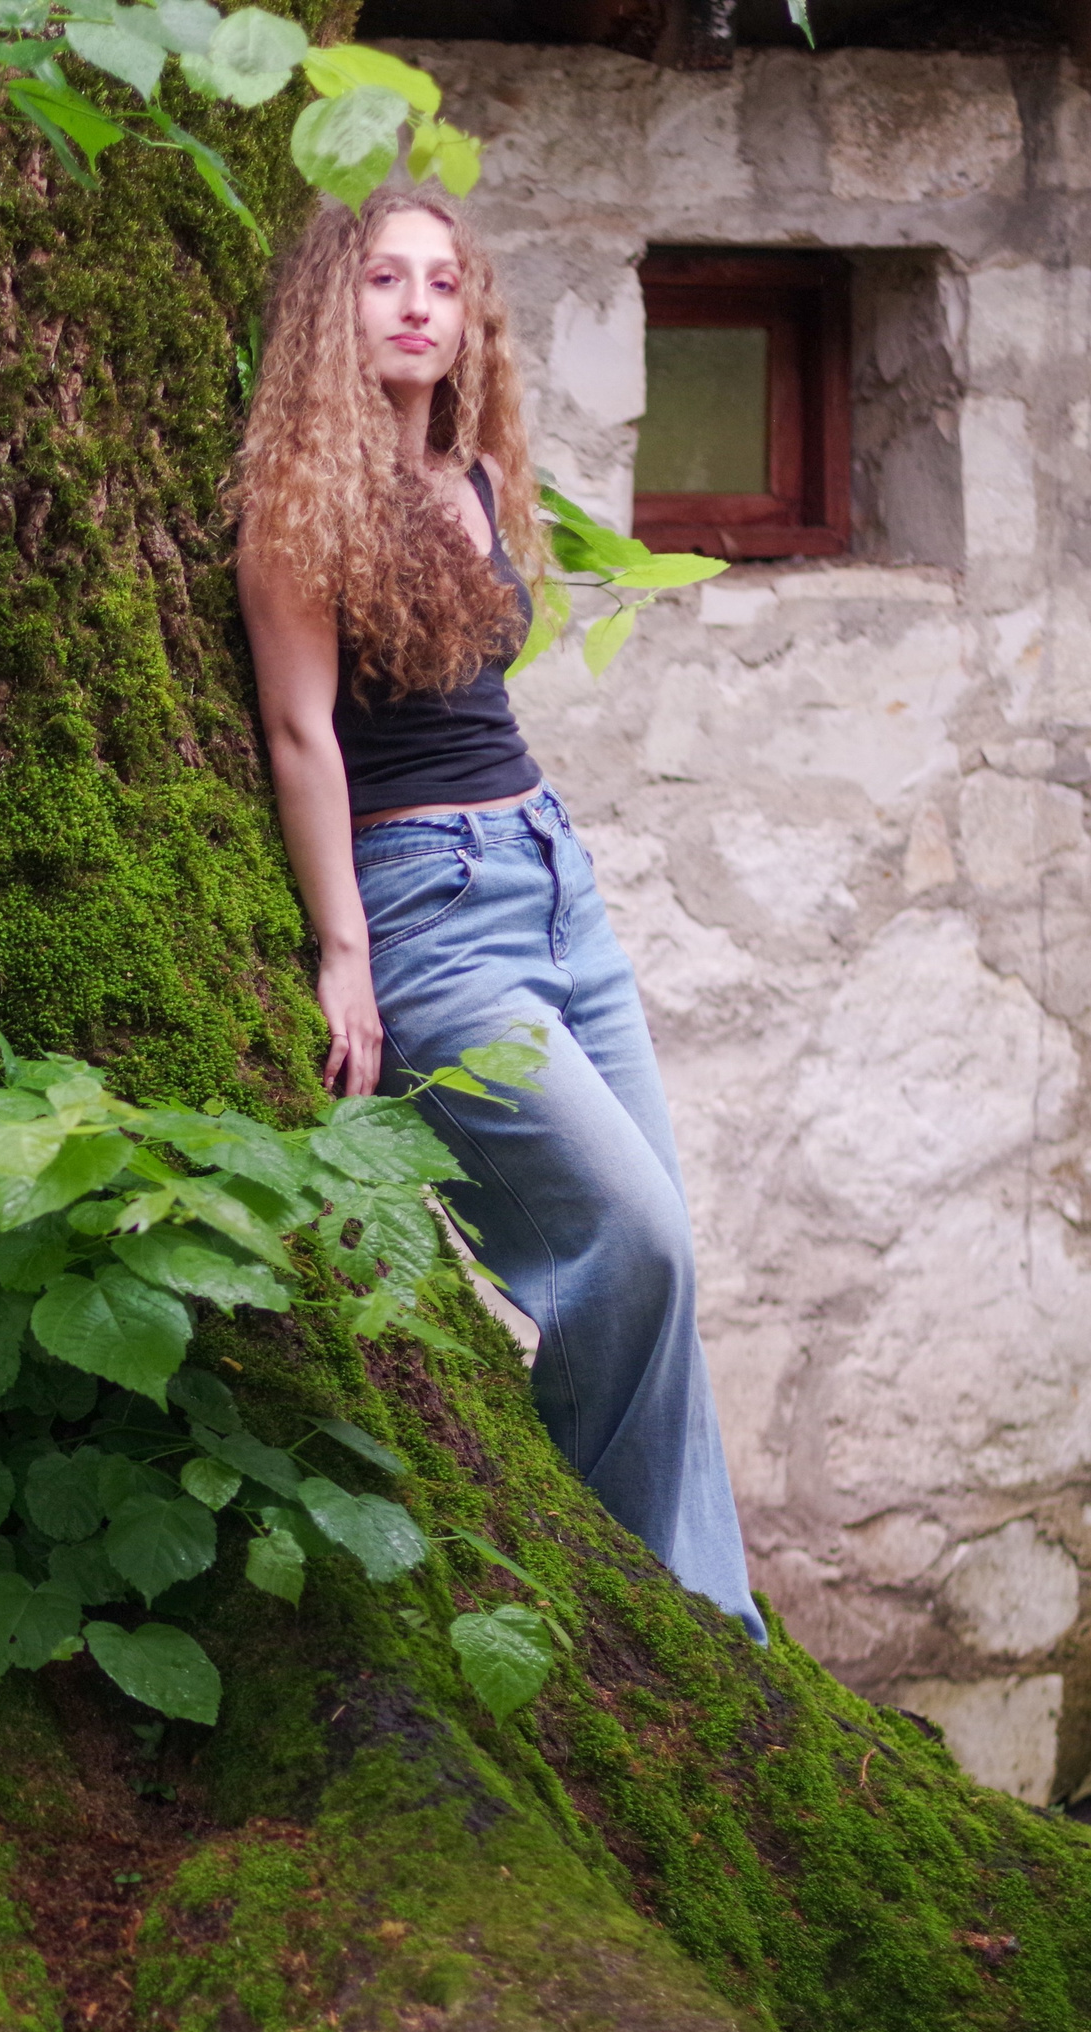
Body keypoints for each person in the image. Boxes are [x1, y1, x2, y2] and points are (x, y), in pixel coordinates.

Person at [234, 187, 766, 1643]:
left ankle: (709, 1627)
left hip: (555, 883)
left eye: (444, 280)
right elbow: (300, 734)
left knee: (663, 1263)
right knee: (629, 1245)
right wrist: (345, 953)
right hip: (429, 908)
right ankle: (636, 1613)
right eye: (384, 278)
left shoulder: (469, 477)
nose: (419, 304)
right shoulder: (299, 499)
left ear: (473, 316)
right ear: (331, 308)